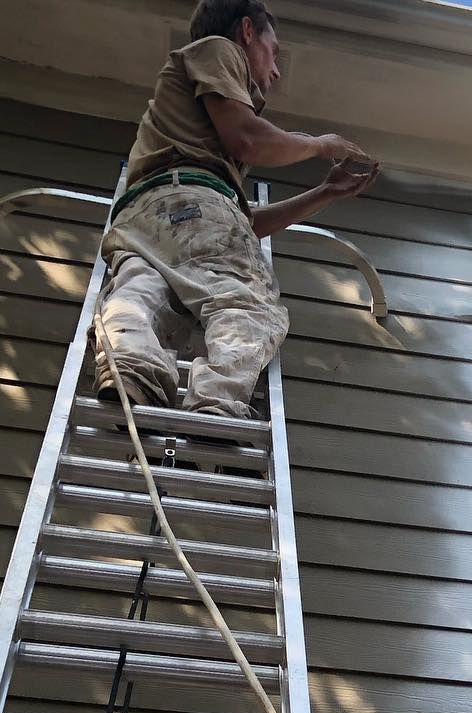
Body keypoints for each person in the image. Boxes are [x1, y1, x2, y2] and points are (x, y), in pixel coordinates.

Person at [94, 0, 378, 419]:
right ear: (246, 31)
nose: (275, 71)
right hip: (194, 207)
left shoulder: (190, 135)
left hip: (143, 218)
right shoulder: (220, 49)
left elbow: (234, 225)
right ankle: (216, 405)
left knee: (143, 290)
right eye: (273, 51)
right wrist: (320, 144)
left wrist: (324, 193)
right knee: (244, 305)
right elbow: (247, 141)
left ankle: (133, 370)